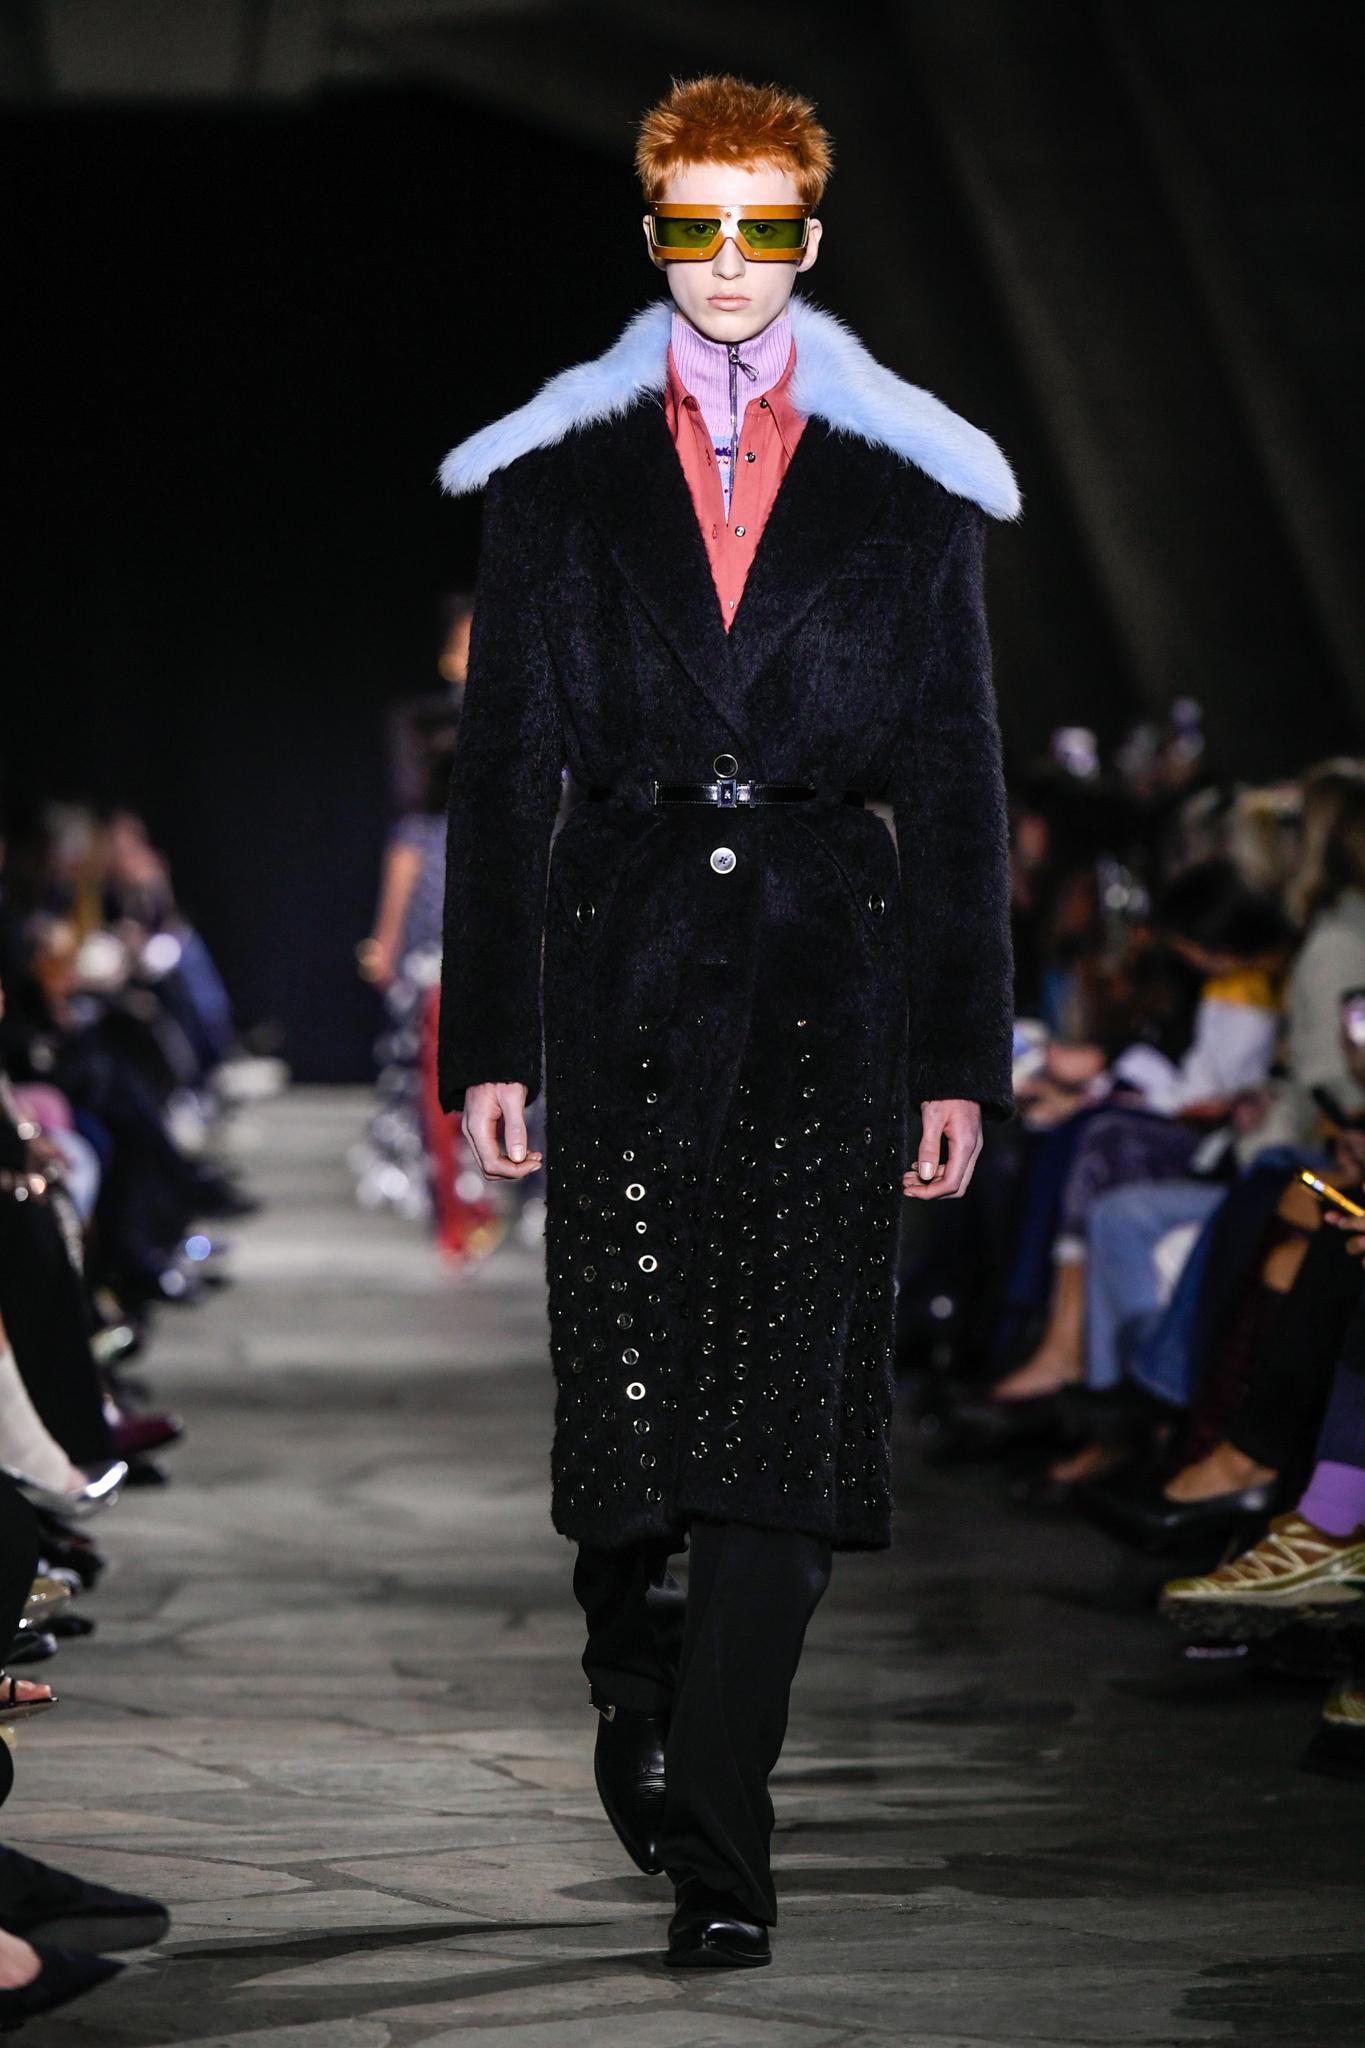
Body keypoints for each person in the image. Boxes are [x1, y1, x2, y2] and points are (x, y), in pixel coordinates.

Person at [436, 73, 1018, 1968]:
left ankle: (721, 1841)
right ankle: (637, 1671)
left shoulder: (911, 489)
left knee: (775, 1418)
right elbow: (500, 774)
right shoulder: (556, 480)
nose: (730, 262)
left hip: (825, 987)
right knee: (624, 1421)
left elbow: (958, 787)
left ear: (811, 240)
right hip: (614, 977)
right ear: (654, 234)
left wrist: (958, 1057)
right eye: (697, 224)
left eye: (764, 227)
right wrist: (488, 1045)